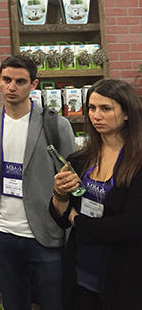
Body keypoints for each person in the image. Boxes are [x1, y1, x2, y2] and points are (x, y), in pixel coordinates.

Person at [0, 55, 75, 310]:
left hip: (46, 236)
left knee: (54, 304)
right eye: (6, 80)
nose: (12, 87)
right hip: (2, 235)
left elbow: (72, 181)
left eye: (20, 81)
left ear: (34, 85)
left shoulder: (56, 125)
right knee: (13, 304)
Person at [50, 78, 142, 309]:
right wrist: (59, 193)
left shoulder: (138, 163)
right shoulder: (79, 159)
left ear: (127, 113)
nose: (96, 115)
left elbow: (130, 226)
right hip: (80, 273)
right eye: (92, 108)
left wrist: (77, 220)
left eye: (106, 108)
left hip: (124, 277)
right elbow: (60, 217)